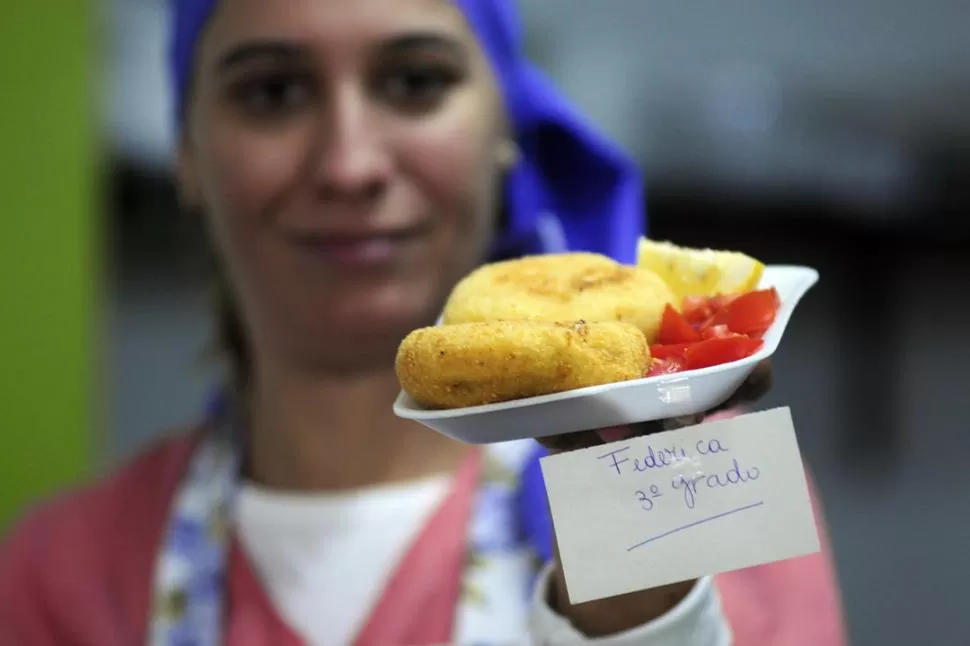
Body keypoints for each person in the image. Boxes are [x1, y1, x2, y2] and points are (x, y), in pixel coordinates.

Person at [0, 0, 848, 644]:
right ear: (186, 151)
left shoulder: (696, 487)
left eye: (414, 82)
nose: (350, 163)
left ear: (505, 125)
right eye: (272, 91)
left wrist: (644, 601)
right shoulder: (61, 571)